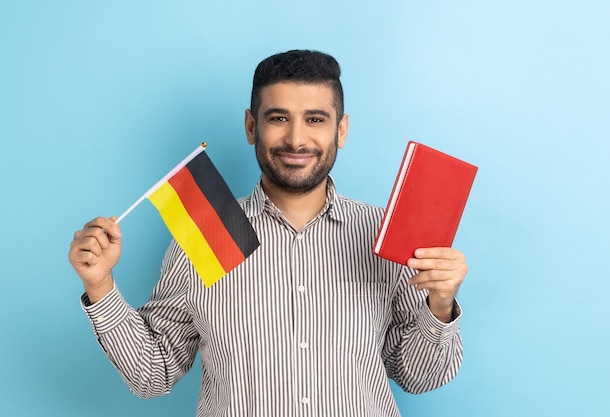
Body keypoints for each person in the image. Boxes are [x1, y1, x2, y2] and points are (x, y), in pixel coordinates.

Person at [68, 49, 467, 416]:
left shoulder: (382, 235)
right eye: (278, 118)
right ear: (250, 126)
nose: (296, 138)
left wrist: (441, 305)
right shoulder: (205, 234)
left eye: (315, 119)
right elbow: (152, 374)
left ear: (340, 130)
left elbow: (419, 376)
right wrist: (100, 285)